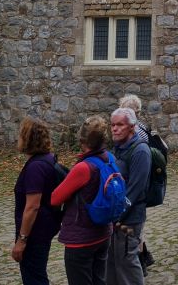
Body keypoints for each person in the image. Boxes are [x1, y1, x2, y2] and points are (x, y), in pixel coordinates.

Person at [51, 115, 114, 285]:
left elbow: (55, 198)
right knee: (99, 281)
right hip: (103, 233)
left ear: (82, 140)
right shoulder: (109, 158)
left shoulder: (84, 167)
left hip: (82, 239)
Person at [12, 117, 61, 285]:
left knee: (34, 278)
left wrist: (22, 240)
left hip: (35, 233)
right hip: (44, 228)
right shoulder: (47, 159)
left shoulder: (36, 167)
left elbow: (32, 207)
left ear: (27, 138)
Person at [107, 107, 152, 285]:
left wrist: (116, 215)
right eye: (112, 125)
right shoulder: (118, 148)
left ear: (132, 127)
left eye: (120, 125)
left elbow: (135, 190)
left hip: (130, 219)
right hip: (114, 217)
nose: (114, 129)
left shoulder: (140, 151)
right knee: (112, 262)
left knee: (127, 262)